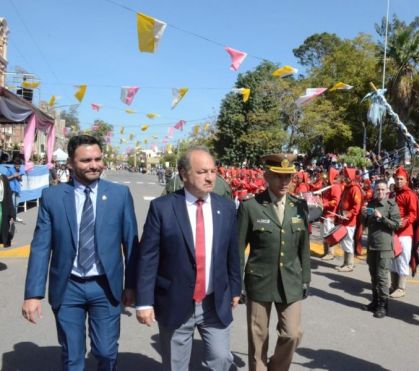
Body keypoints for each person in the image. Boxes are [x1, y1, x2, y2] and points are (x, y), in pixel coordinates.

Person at [21, 135, 139, 371]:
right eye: (86, 160)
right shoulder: (53, 197)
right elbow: (41, 246)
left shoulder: (119, 195)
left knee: (106, 352)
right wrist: (33, 294)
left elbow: (131, 243)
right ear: (71, 164)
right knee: (72, 357)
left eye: (98, 159)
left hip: (105, 287)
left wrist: (132, 285)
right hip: (68, 287)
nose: (94, 165)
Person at [136, 146, 241, 371]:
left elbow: (233, 252)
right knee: (176, 366)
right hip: (175, 300)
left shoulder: (226, 207)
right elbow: (148, 257)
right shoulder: (162, 208)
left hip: (214, 301)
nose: (210, 177)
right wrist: (144, 301)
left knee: (221, 358)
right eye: (202, 172)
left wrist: (235, 288)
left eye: (213, 171)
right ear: (184, 174)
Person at [237, 153, 311, 371]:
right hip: (259, 280)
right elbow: (237, 248)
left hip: (291, 279)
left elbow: (303, 246)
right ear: (267, 176)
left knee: (292, 333)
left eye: (288, 177)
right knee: (258, 336)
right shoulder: (250, 207)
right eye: (279, 176)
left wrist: (306, 278)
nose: (285, 182)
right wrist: (237, 283)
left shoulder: (299, 207)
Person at [360, 180, 401, 318]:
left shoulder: (391, 205)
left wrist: (381, 217)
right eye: (378, 189)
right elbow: (364, 224)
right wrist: (364, 214)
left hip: (384, 247)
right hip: (372, 245)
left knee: (382, 277)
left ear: (387, 191)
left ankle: (383, 305)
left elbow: (396, 225)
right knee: (373, 276)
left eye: (383, 189)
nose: (380, 192)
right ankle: (375, 301)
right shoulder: (371, 204)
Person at [389, 166, 419, 298]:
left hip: (405, 232)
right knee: (392, 259)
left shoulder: (410, 195)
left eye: (401, 179)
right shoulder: (393, 194)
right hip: (392, 231)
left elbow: (413, 214)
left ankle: (401, 287)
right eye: (397, 179)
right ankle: (393, 285)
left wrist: (404, 221)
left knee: (402, 259)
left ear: (406, 180)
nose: (398, 181)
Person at [334, 167, 362, 272]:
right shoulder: (347, 187)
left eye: (346, 176)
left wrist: (348, 215)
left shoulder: (355, 189)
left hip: (349, 221)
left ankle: (349, 265)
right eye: (344, 176)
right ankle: (345, 263)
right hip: (343, 219)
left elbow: (356, 207)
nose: (344, 178)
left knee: (348, 242)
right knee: (345, 242)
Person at [321, 167, 342, 260]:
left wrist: (324, 204)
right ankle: (326, 252)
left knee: (328, 234)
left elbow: (335, 201)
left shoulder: (335, 186)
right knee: (324, 233)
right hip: (324, 213)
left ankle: (330, 253)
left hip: (330, 214)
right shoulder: (329, 185)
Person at [5, 158, 24, 222]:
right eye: (17, 165)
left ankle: (15, 216)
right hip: (11, 189)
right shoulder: (10, 170)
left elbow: (21, 180)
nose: (18, 167)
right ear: (14, 165)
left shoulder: (20, 170)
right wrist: (13, 175)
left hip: (17, 189)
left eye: (19, 166)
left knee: (16, 204)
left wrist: (19, 177)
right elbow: (6, 178)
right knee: (12, 204)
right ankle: (11, 218)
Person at [0, 171, 15, 247]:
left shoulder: (4, 179)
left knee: (4, 224)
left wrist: (12, 213)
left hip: (3, 205)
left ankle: (5, 239)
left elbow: (9, 197)